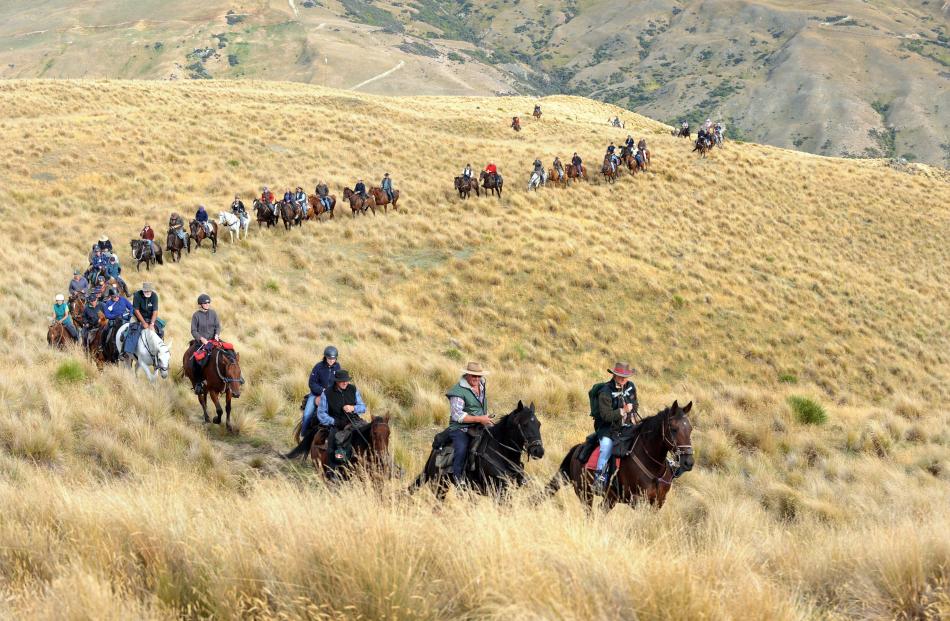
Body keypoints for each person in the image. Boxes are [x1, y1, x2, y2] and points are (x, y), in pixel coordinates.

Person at [283, 346, 342, 459]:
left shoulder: (337, 367)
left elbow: (338, 382)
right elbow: (312, 383)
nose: (332, 360)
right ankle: (304, 434)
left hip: (331, 395)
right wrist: (321, 391)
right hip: (316, 394)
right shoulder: (318, 367)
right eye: (330, 358)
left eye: (334, 359)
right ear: (325, 357)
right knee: (307, 414)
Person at [591, 362, 639, 495]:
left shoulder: (631, 386)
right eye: (620, 376)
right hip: (607, 428)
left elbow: (635, 403)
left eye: (626, 376)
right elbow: (605, 416)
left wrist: (633, 413)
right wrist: (622, 411)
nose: (623, 379)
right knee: (606, 447)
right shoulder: (605, 391)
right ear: (614, 375)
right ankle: (599, 479)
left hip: (627, 426)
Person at [445, 362, 492, 486]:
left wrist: (485, 417)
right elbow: (457, 416)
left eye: (479, 376)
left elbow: (479, 405)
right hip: (461, 428)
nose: (476, 379)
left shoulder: (481, 384)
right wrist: (480, 419)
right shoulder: (458, 391)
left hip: (480, 424)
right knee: (461, 449)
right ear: (467, 374)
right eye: (473, 376)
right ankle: (458, 478)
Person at [315, 369, 367, 472]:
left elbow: (363, 407)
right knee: (334, 441)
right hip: (336, 423)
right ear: (336, 381)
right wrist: (334, 421)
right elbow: (321, 413)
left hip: (354, 420)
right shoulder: (327, 393)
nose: (345, 383)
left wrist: (353, 408)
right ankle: (333, 469)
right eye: (342, 381)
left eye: (347, 380)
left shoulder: (353, 389)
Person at [189, 293, 221, 395]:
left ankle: (236, 377)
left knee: (228, 352)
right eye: (205, 303)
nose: (207, 304)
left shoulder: (213, 313)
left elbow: (218, 326)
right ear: (200, 304)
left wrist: (217, 334)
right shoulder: (196, 315)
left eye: (208, 303)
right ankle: (198, 383)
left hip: (214, 340)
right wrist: (201, 339)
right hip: (201, 343)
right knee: (196, 360)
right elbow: (193, 331)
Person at [124, 282, 161, 356]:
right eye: (146, 291)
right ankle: (127, 351)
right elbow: (136, 311)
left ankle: (160, 350)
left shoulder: (154, 296)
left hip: (150, 318)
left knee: (160, 330)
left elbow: (155, 311)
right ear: (143, 290)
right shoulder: (137, 295)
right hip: (137, 317)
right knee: (133, 330)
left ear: (151, 291)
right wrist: (143, 323)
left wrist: (152, 324)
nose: (147, 292)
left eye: (149, 291)